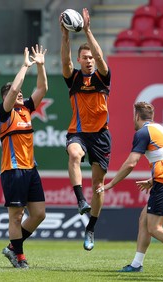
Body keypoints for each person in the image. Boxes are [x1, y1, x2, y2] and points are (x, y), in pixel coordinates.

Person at [96, 101, 163, 273]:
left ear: (136, 116)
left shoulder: (143, 132)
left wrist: (111, 184)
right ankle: (137, 264)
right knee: (144, 220)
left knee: (154, 228)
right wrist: (152, 180)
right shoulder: (162, 130)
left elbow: (131, 163)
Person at [60, 7, 112, 251]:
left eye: (91, 57)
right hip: (78, 132)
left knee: (99, 186)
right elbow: (64, 62)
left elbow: (102, 58)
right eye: (86, 57)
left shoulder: (103, 77)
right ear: (80, 60)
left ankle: (91, 228)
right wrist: (65, 36)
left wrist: (88, 31)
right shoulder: (74, 79)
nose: (90, 60)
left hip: (101, 135)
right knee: (73, 154)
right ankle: (80, 200)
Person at [0, 45, 48, 269]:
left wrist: (41, 65)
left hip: (30, 169)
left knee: (39, 214)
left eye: (19, 92)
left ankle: (11, 247)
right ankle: (19, 257)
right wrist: (24, 66)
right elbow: (16, 87)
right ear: (5, 98)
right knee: (16, 216)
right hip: (13, 170)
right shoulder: (3, 114)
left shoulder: (26, 109)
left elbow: (42, 88)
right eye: (14, 93)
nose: (19, 93)